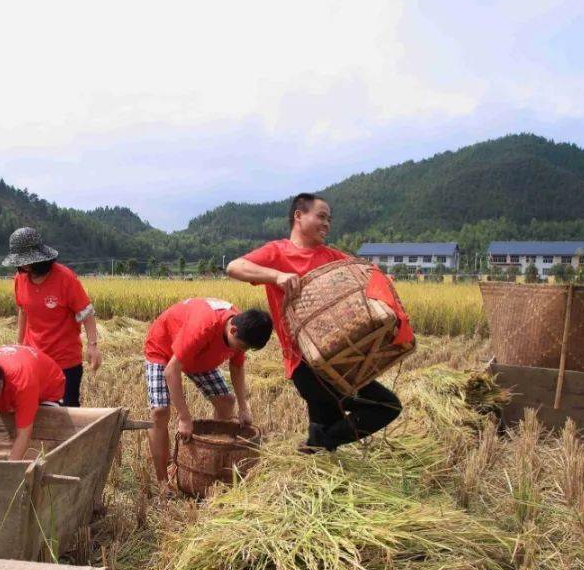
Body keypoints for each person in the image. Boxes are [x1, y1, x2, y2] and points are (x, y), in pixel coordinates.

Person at [226, 193, 402, 452]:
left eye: (329, 219)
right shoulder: (277, 252)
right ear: (299, 216)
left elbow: (367, 275)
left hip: (339, 358)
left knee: (328, 429)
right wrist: (276, 276)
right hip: (307, 364)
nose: (327, 224)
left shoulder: (332, 256)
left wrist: (384, 285)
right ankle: (318, 443)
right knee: (386, 406)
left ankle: (317, 445)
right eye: (321, 216)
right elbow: (234, 267)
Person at [143, 297, 273, 492]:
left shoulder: (242, 328)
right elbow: (172, 370)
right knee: (160, 412)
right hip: (164, 349)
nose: (241, 351)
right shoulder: (204, 326)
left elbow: (237, 367)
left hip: (199, 355)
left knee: (226, 402)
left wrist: (244, 407)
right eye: (240, 347)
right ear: (233, 330)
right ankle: (164, 483)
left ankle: (210, 465)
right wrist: (184, 417)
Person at [3, 227, 100, 407]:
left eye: (28, 262)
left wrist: (92, 346)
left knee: (65, 414)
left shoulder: (65, 278)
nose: (24, 266)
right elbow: (23, 311)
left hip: (64, 361)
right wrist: (19, 346)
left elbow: (86, 312)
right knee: (36, 410)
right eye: (21, 262)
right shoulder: (20, 279)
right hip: (34, 358)